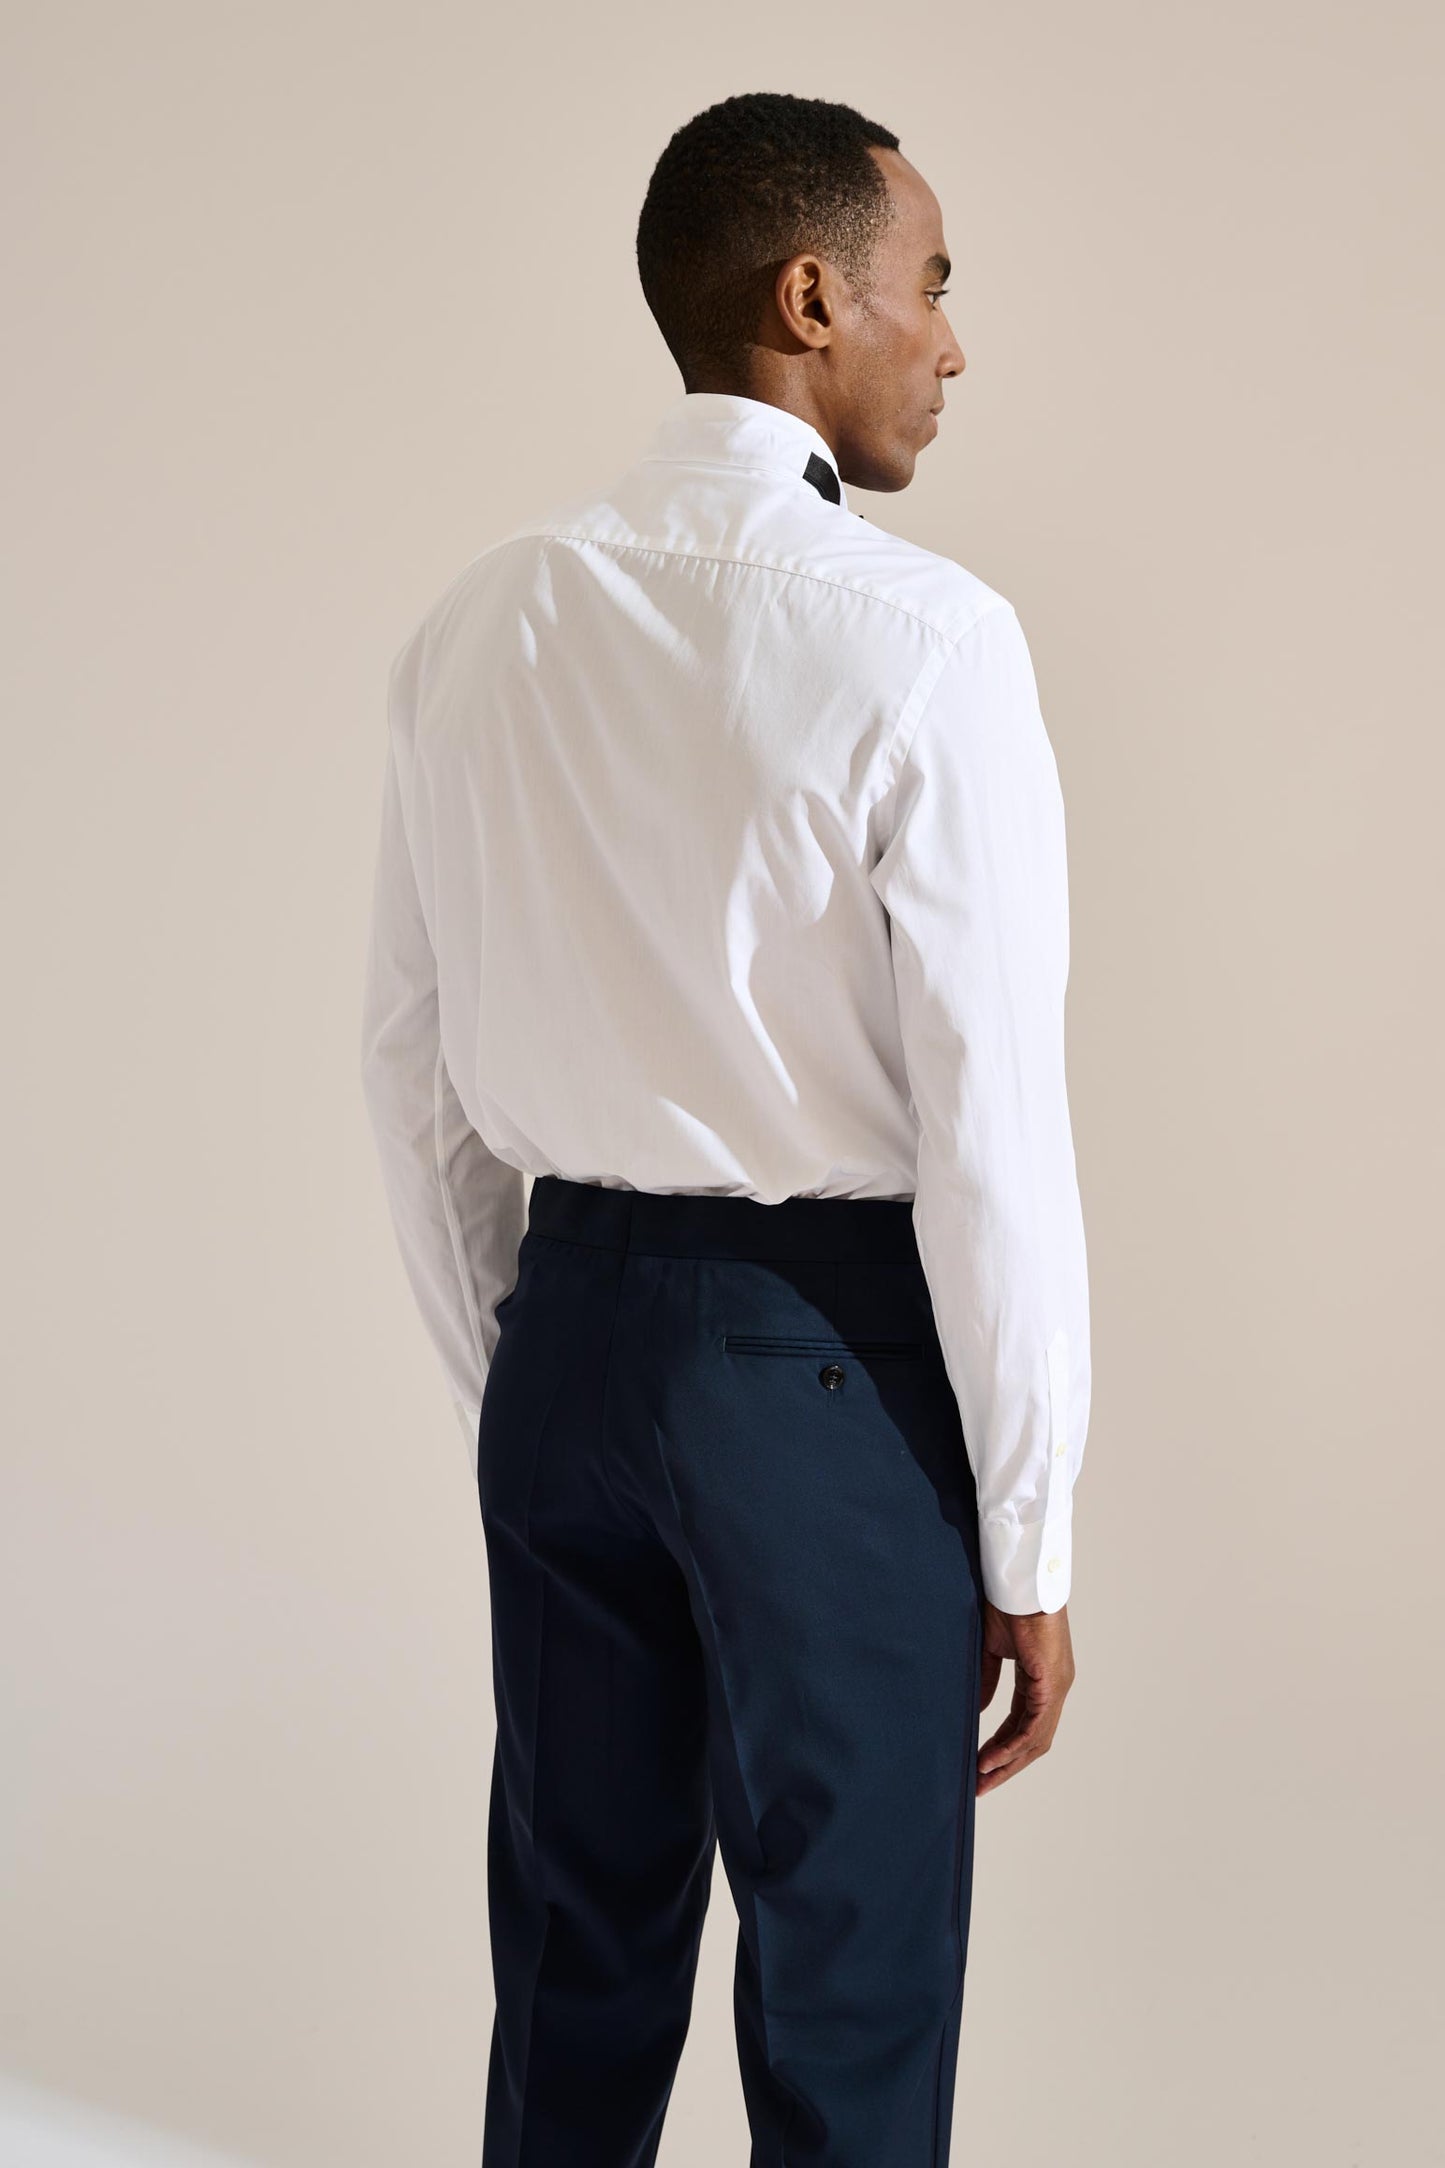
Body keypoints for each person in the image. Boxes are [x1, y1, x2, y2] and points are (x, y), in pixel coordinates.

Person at [360, 88, 1092, 2168]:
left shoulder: (483, 617)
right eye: (927, 284)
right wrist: (1030, 1529)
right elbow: (991, 1123)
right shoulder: (926, 638)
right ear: (810, 299)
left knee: (570, 1969)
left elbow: (410, 1063)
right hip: (822, 1369)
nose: (952, 342)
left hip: (568, 1342)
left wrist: (523, 1377)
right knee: (848, 1994)